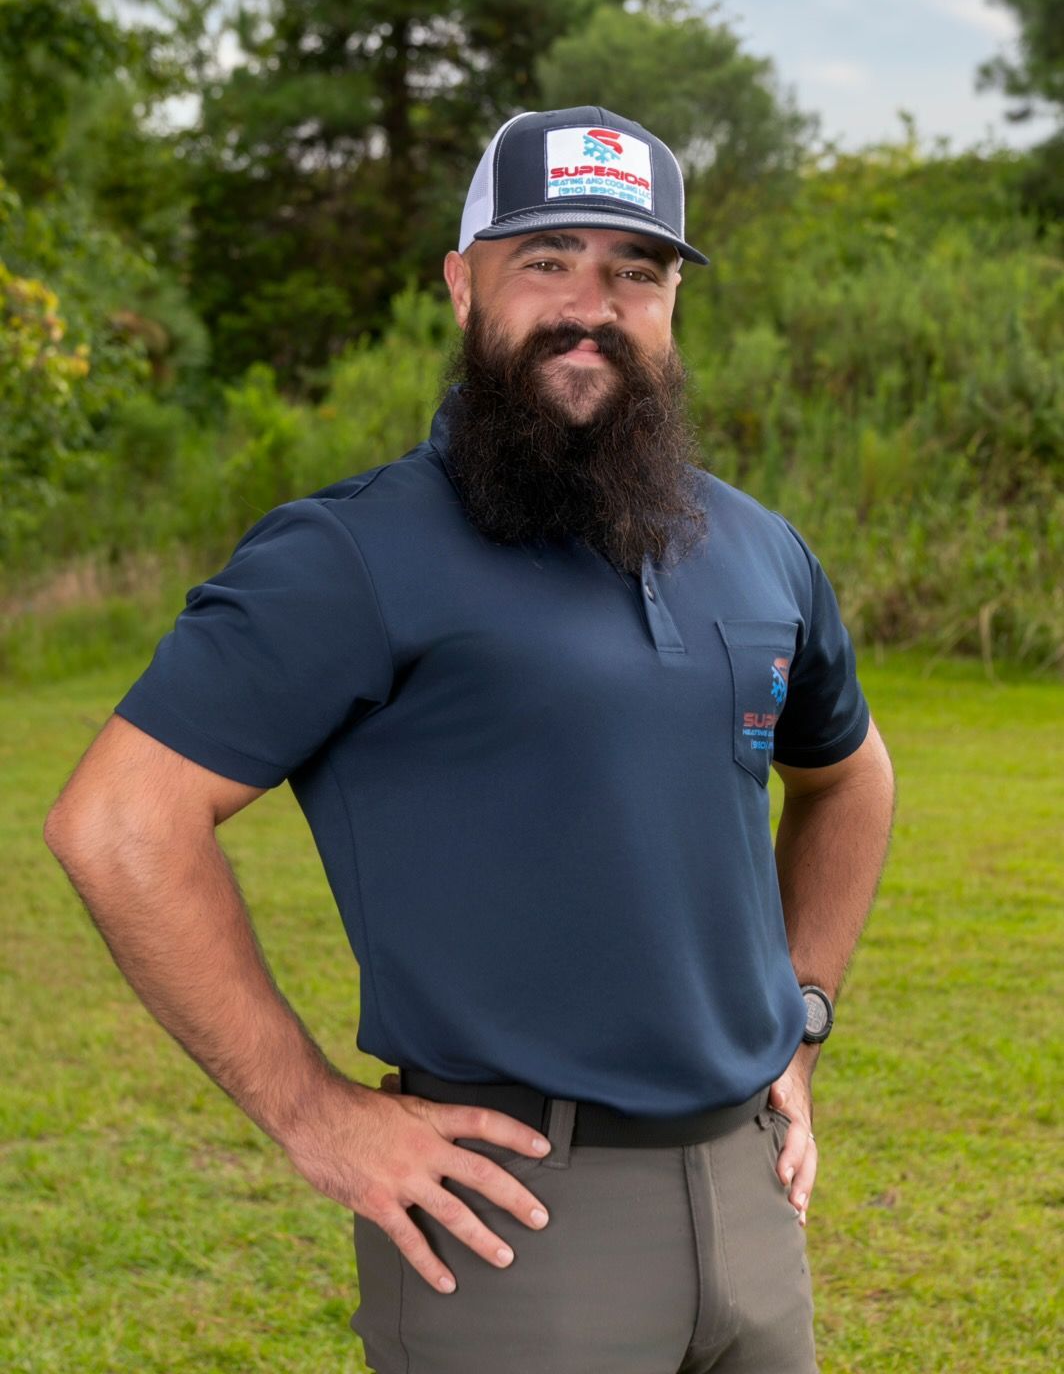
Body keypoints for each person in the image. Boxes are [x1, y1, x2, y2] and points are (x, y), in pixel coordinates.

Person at [44, 105, 895, 1374]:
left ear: (670, 301)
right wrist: (311, 1114)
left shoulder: (758, 547)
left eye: (635, 270)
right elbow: (118, 821)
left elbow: (848, 779)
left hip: (752, 1199)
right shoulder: (351, 554)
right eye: (543, 259)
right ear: (461, 283)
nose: (589, 304)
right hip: (512, 1226)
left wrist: (803, 1014)